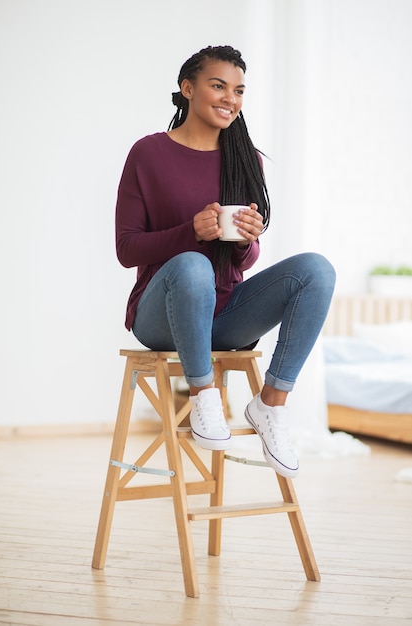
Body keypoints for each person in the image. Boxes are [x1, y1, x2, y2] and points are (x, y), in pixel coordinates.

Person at [115, 45, 336, 479]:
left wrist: (243, 243)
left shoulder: (244, 157)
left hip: (225, 311)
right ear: (187, 88)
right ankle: (203, 395)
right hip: (160, 314)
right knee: (193, 265)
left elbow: (245, 262)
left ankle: (270, 404)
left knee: (317, 270)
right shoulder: (149, 153)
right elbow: (127, 249)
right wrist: (189, 232)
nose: (230, 99)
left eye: (238, 90)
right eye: (218, 86)